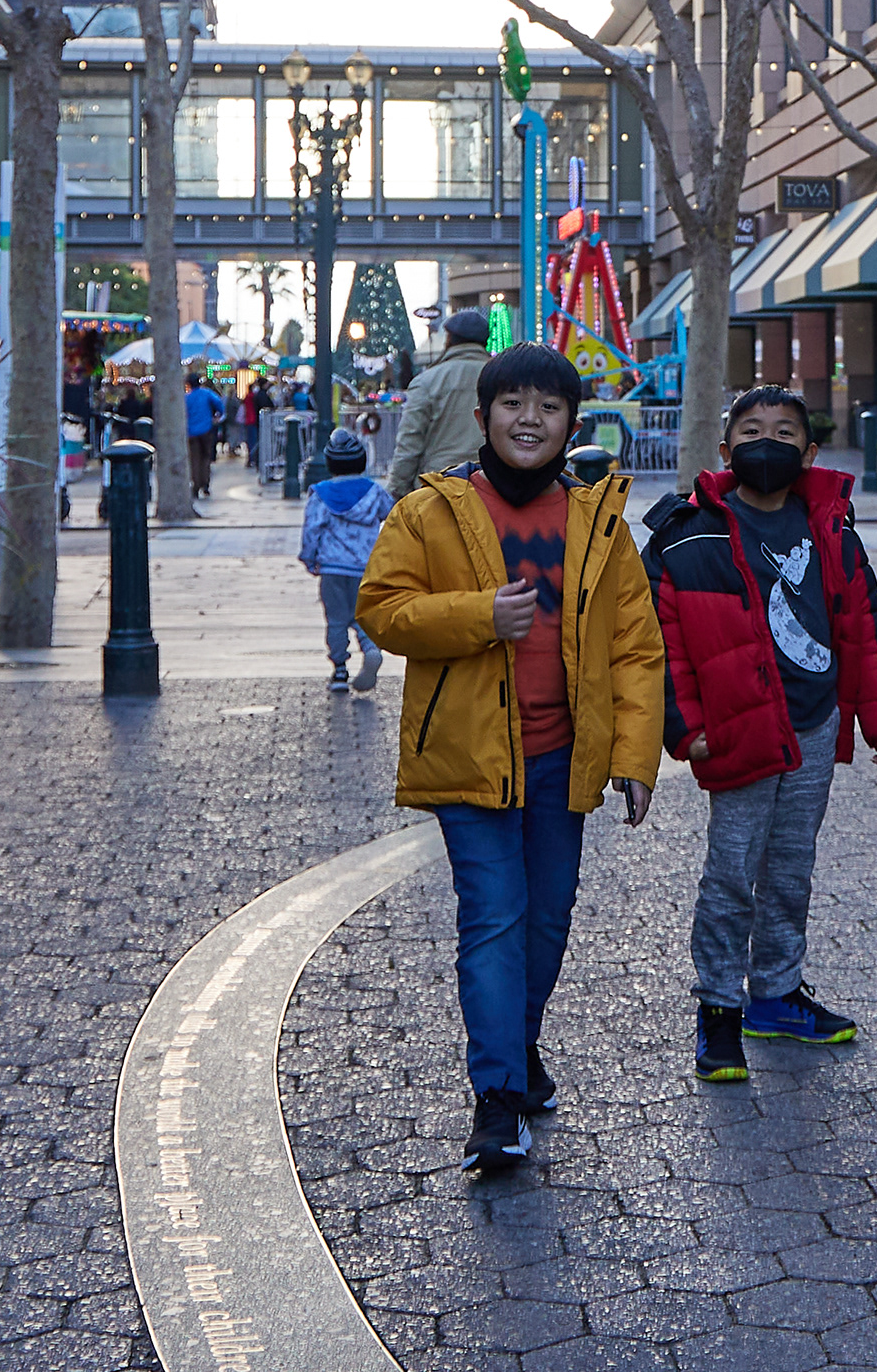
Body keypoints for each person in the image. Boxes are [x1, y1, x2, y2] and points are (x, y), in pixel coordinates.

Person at [355, 344, 664, 1173]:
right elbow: (381, 609)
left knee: (549, 918)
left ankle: (517, 1048)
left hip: (566, 759)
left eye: (550, 407)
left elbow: (637, 648)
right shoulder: (433, 510)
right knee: (494, 917)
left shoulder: (599, 520)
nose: (530, 419)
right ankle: (496, 1097)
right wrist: (478, 616)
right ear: (484, 415)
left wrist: (636, 757)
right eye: (513, 404)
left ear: (571, 423)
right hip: (471, 757)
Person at [642, 384, 877, 1087]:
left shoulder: (831, 528)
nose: (770, 443)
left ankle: (777, 994)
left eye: (786, 432)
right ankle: (719, 1013)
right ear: (726, 452)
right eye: (754, 431)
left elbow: (866, 628)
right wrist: (684, 729)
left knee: (790, 869)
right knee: (732, 872)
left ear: (810, 452)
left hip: (814, 724)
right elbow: (657, 644)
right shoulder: (688, 534)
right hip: (737, 728)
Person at [298, 427, 391, 692]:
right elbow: (393, 515)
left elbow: (312, 528)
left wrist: (309, 557)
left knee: (337, 620)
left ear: (329, 463)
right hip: (366, 569)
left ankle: (339, 670)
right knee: (363, 616)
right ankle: (371, 648)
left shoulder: (321, 493)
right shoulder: (373, 491)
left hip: (333, 568)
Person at [382, 306, 496, 497]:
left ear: (449, 339)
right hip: (490, 482)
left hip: (438, 485)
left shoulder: (427, 381)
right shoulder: (501, 378)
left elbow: (410, 441)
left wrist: (397, 490)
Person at [183, 368, 224, 502]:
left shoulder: (186, 398)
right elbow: (219, 404)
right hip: (206, 430)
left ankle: (195, 485)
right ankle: (205, 483)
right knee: (206, 458)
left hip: (191, 432)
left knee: (194, 459)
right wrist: (218, 416)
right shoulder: (207, 394)